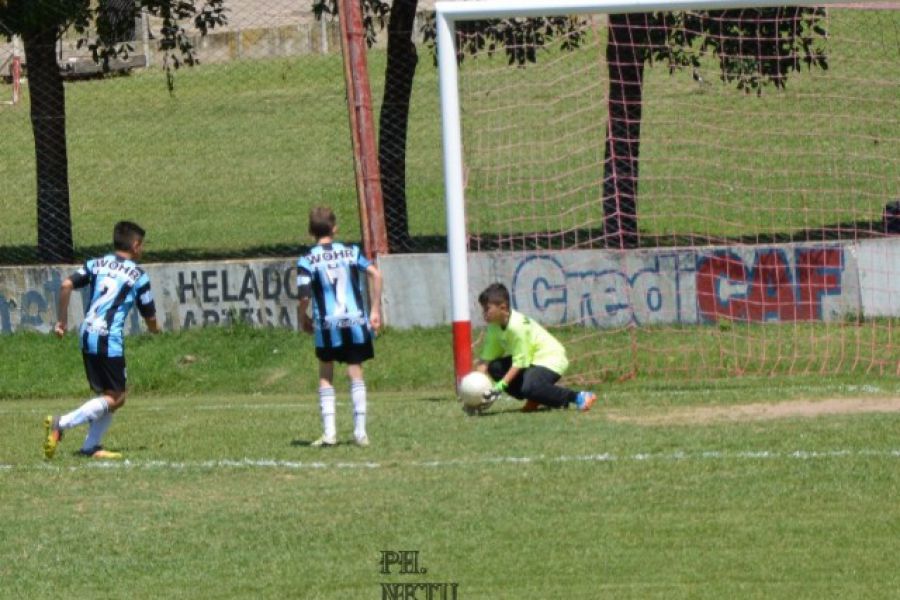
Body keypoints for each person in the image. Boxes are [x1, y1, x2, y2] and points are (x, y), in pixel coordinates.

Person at [44, 220, 161, 459]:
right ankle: (61, 423)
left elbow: (66, 284)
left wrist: (62, 322)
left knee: (110, 394)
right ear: (136, 245)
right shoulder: (138, 275)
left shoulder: (95, 264)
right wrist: (156, 330)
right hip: (108, 338)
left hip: (87, 333)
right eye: (143, 245)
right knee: (117, 397)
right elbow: (149, 316)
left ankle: (91, 446)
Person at [297, 207, 382, 447]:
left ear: (310, 232)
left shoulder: (306, 260)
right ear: (335, 228)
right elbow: (376, 275)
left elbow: (303, 296)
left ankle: (330, 433)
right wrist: (374, 310)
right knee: (355, 371)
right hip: (355, 320)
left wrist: (301, 316)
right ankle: (360, 432)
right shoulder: (351, 252)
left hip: (327, 325)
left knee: (326, 374)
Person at [475, 282, 596, 413]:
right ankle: (535, 396)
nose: (484, 314)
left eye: (487, 309)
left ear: (503, 307)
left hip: (550, 359)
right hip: (531, 361)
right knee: (495, 367)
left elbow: (520, 363)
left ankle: (578, 397)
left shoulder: (517, 326)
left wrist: (499, 387)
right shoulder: (494, 326)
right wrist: (474, 391)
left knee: (529, 387)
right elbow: (486, 361)